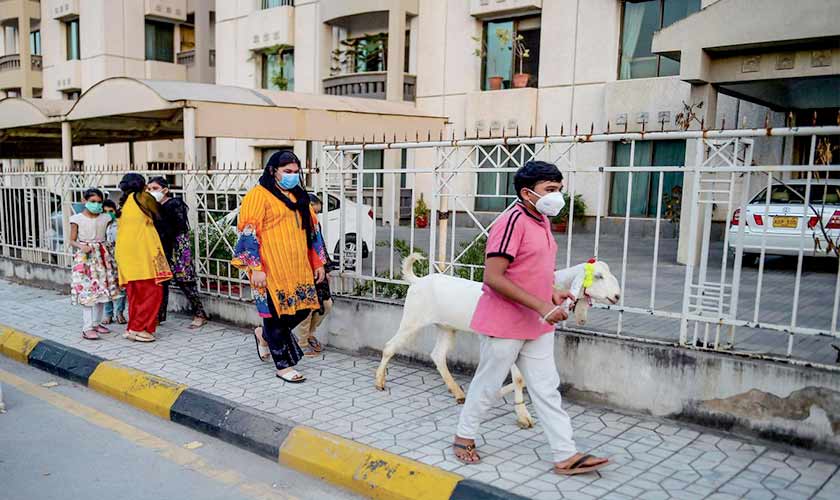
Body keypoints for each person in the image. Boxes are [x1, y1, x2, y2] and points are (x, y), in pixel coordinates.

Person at [452, 161, 609, 476]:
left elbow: (530, 269)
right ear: (527, 193)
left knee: (547, 388)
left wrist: (552, 292)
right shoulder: (511, 222)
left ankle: (565, 454)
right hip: (505, 323)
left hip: (537, 324)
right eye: (550, 189)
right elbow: (494, 277)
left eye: (559, 189)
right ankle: (463, 437)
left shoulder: (541, 220)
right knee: (488, 383)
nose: (557, 196)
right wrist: (541, 306)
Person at [232, 151, 327, 383]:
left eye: (295, 172)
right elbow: (248, 231)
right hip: (270, 268)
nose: (292, 176)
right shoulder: (259, 195)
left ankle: (263, 335)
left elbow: (313, 232)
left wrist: (318, 262)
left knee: (303, 309)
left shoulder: (299, 196)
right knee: (275, 316)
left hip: (298, 267)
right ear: (273, 170)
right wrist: (255, 268)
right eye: (287, 171)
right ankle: (283, 365)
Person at [115, 173, 173, 343]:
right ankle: (140, 329)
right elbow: (159, 212)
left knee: (136, 296)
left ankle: (132, 328)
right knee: (152, 294)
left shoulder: (125, 202)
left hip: (127, 255)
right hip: (143, 255)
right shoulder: (142, 197)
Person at [147, 177, 209, 329]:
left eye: (155, 188)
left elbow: (178, 226)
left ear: (165, 190)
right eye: (149, 189)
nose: (151, 191)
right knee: (161, 282)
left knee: (185, 281)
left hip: (177, 247)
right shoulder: (152, 206)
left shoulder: (175, 204)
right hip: (160, 247)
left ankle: (200, 314)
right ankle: (159, 316)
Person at [69, 188, 121, 340]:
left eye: (99, 202)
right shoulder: (76, 219)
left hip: (103, 257)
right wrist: (81, 246)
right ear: (84, 201)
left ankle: (96, 323)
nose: (96, 205)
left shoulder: (106, 218)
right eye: (92, 201)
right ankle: (87, 328)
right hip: (85, 258)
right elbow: (71, 240)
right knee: (87, 290)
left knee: (102, 290)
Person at [293, 193, 335, 356]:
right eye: (314, 210)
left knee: (326, 304)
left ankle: (309, 334)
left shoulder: (315, 224)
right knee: (307, 307)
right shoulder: (295, 223)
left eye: (317, 212)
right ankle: (302, 343)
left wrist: (326, 269)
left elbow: (320, 246)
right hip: (301, 269)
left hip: (318, 270)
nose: (315, 214)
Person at [102, 199, 127, 325]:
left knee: (120, 286)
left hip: (119, 258)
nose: (108, 214)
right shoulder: (100, 225)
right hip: (104, 260)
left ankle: (119, 313)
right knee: (107, 286)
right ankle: (108, 313)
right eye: (105, 211)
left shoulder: (120, 224)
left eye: (111, 211)